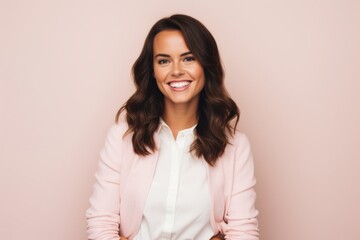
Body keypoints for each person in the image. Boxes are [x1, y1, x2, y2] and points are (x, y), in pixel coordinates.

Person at [86, 14, 259, 240]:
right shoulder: (122, 138)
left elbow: (244, 233)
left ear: (206, 66)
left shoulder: (235, 146)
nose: (176, 70)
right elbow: (100, 224)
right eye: (164, 60)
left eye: (188, 58)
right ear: (153, 70)